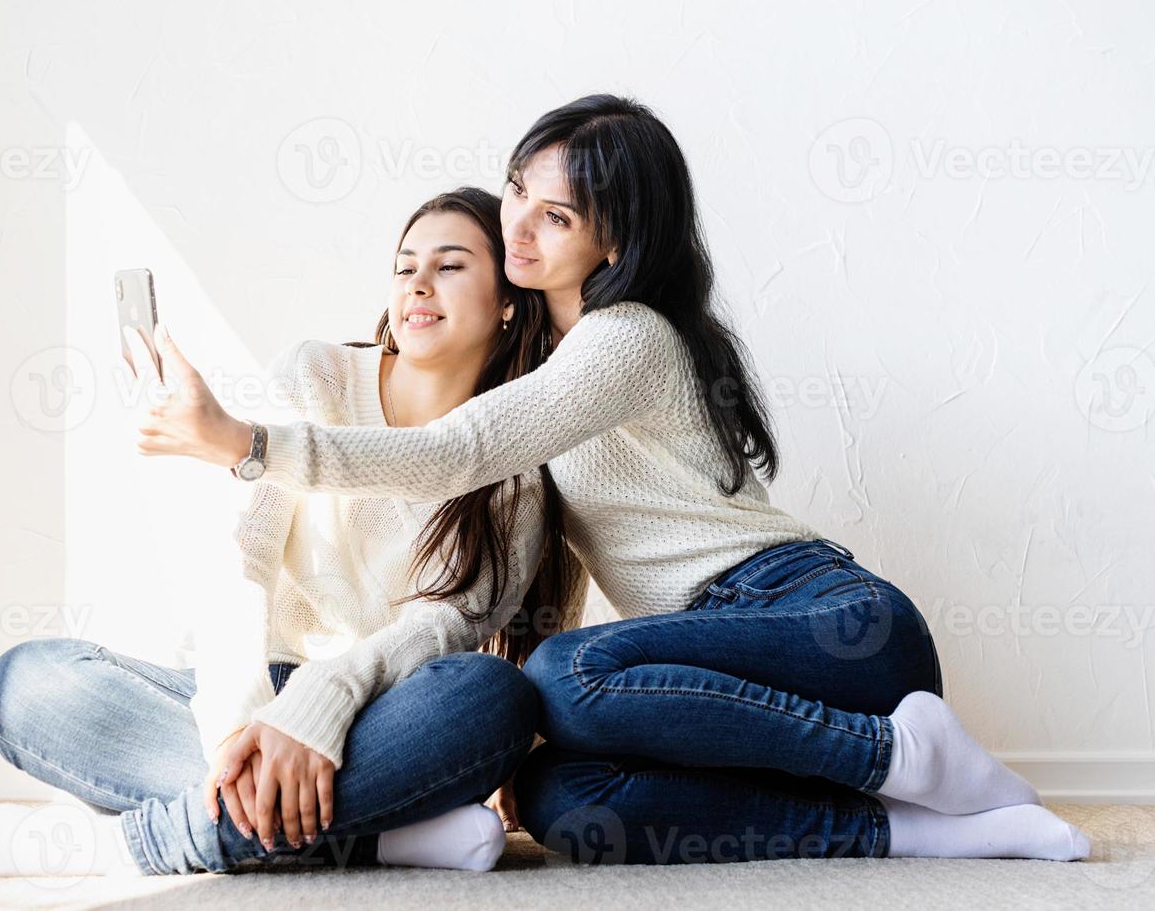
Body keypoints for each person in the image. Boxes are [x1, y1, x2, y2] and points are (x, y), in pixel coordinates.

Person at [132, 94, 1091, 864]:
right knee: (564, 796)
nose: (521, 226)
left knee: (568, 672)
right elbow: (554, 544)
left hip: (824, 624)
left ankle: (898, 754)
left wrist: (243, 441)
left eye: (557, 216)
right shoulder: (547, 362)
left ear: (617, 243)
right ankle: (910, 827)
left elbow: (454, 453)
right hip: (728, 644)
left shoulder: (624, 339)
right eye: (517, 193)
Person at [0, 187, 585, 878]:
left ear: (510, 300)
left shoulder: (514, 474)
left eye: (450, 266)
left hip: (381, 713)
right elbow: (239, 557)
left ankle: (138, 844)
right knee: (26, 683)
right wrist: (238, 728)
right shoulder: (318, 376)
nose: (418, 286)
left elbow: (439, 629)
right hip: (256, 684)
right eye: (405, 268)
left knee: (490, 697)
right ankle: (379, 836)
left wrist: (317, 714)